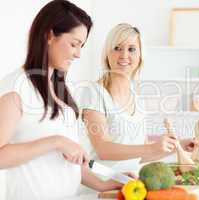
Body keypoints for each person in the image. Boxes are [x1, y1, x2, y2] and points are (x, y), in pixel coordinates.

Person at [0, 1, 124, 199]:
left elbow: (69, 160)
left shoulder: (61, 91)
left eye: (81, 46)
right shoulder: (16, 88)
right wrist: (56, 142)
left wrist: (107, 183)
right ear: (49, 35)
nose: (78, 54)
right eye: (74, 44)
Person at [79, 23, 199, 175]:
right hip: (100, 187)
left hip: (130, 186)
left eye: (131, 49)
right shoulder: (94, 92)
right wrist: (152, 147)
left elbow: (140, 154)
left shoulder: (137, 99)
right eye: (117, 48)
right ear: (107, 54)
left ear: (140, 56)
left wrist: (179, 145)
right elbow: (103, 149)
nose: (124, 55)